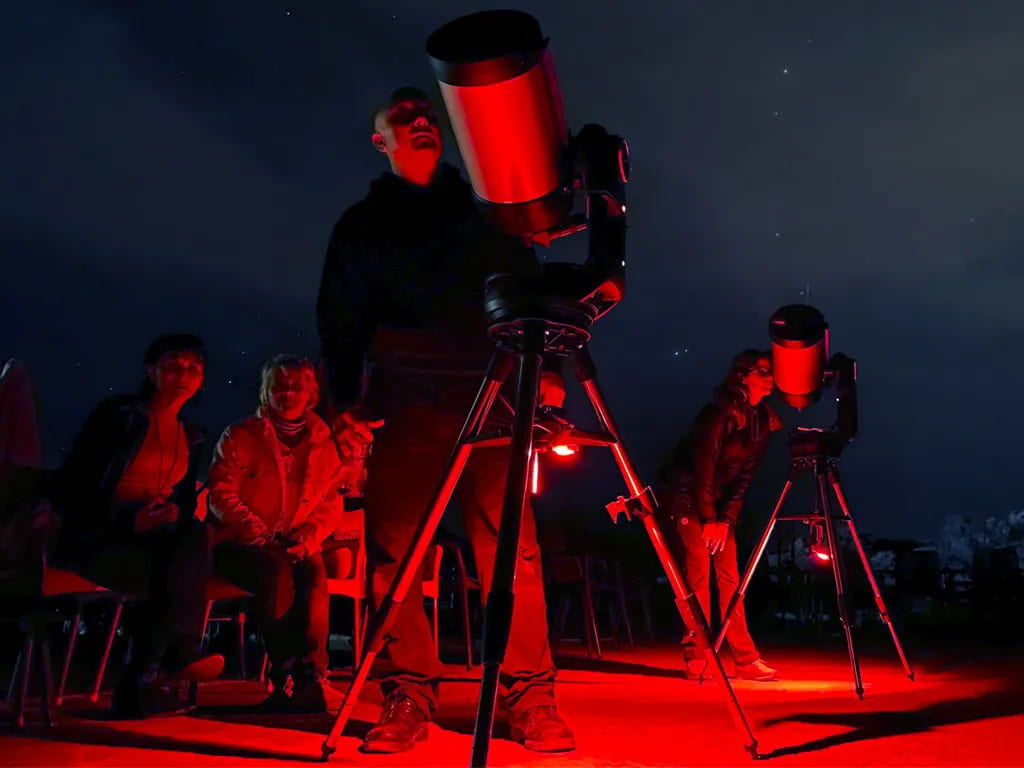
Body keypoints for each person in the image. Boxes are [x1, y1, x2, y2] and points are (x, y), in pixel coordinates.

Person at [316, 86, 574, 754]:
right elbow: (339, 315)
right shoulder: (361, 226)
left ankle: (529, 697)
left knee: (510, 548)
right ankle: (408, 693)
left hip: (494, 391)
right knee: (395, 554)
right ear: (382, 141)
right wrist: (345, 401)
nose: (422, 119)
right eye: (403, 116)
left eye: (426, 113)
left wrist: (548, 369)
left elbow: (529, 287)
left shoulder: (487, 214)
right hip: (404, 398)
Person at [52, 334, 223, 717]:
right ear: (152, 371)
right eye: (174, 365)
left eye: (193, 367)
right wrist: (127, 517)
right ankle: (166, 660)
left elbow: (182, 501)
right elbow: (73, 484)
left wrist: (173, 514)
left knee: (186, 543)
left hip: (151, 542)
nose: (183, 374)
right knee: (176, 568)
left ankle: (145, 678)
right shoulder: (120, 418)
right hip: (98, 537)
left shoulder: (189, 435)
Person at [207, 355, 344, 712]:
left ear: (310, 393)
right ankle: (282, 674)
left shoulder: (322, 440)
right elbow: (221, 493)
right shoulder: (241, 435)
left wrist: (309, 537)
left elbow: (331, 500)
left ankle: (312, 676)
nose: (287, 393)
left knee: (314, 574)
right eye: (279, 386)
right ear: (267, 391)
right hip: (243, 543)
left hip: (295, 540)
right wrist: (258, 531)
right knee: (275, 573)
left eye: (296, 386)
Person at [657, 349, 782, 681]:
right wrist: (709, 517)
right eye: (761, 371)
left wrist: (726, 520)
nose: (769, 377)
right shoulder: (717, 414)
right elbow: (704, 467)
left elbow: (744, 478)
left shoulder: (762, 421)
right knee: (697, 572)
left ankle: (744, 659)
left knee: (729, 578)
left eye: (771, 371)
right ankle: (696, 654)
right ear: (742, 375)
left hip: (719, 507)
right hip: (688, 497)